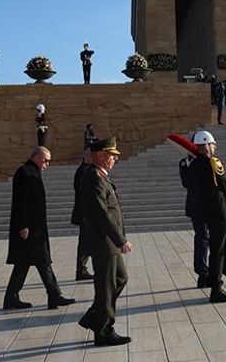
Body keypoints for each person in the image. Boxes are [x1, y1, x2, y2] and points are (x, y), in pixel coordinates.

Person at [3, 146, 75, 310]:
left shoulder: (32, 172)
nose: (47, 164)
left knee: (24, 263)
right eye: (46, 160)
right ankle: (54, 296)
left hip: (35, 229)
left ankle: (11, 298)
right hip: (29, 230)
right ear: (36, 157)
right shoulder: (25, 172)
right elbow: (20, 202)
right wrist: (23, 225)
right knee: (42, 262)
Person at [77, 138, 132, 346]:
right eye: (112, 155)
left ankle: (94, 317)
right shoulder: (94, 178)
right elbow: (102, 214)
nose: (115, 159)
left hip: (108, 241)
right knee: (106, 286)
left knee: (119, 279)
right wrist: (120, 240)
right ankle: (103, 330)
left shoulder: (101, 176)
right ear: (100, 155)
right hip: (103, 242)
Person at [188, 130, 226, 303]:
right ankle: (217, 288)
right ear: (206, 145)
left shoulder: (192, 165)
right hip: (218, 210)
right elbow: (224, 184)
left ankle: (218, 275)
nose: (215, 147)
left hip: (205, 211)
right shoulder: (213, 162)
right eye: (213, 144)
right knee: (218, 250)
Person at [179, 148, 209, 288]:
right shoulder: (185, 163)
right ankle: (203, 273)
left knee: (211, 237)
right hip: (196, 205)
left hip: (210, 204)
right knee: (202, 237)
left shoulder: (207, 161)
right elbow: (187, 183)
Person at [71, 148, 94, 281]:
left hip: (85, 214)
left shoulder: (84, 170)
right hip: (85, 214)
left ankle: (82, 269)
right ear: (88, 157)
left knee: (85, 242)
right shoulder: (84, 171)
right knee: (85, 242)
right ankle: (81, 270)